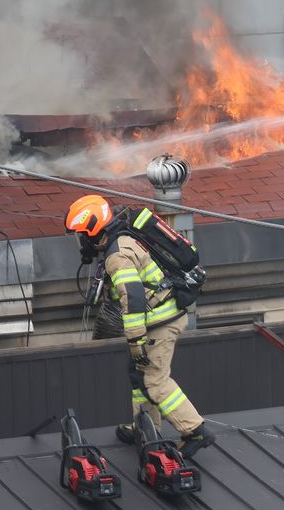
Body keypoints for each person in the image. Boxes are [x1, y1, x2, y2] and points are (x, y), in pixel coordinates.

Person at [64, 194, 215, 456]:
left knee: (155, 380)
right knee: (138, 375)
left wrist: (136, 340)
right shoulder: (121, 237)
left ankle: (195, 430)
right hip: (160, 316)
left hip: (160, 321)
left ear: (92, 230)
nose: (81, 241)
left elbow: (133, 299)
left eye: (81, 235)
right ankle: (145, 427)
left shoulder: (117, 255)